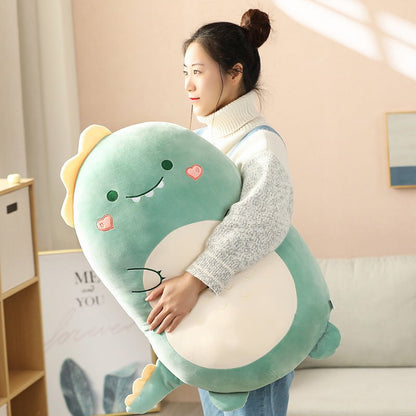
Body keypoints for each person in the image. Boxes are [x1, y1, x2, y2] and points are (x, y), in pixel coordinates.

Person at [145, 9, 294, 416]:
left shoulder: (260, 145)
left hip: (253, 326)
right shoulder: (199, 144)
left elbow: (260, 223)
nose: (188, 85)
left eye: (197, 71)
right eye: (185, 73)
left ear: (235, 72)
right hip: (211, 326)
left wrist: (193, 281)